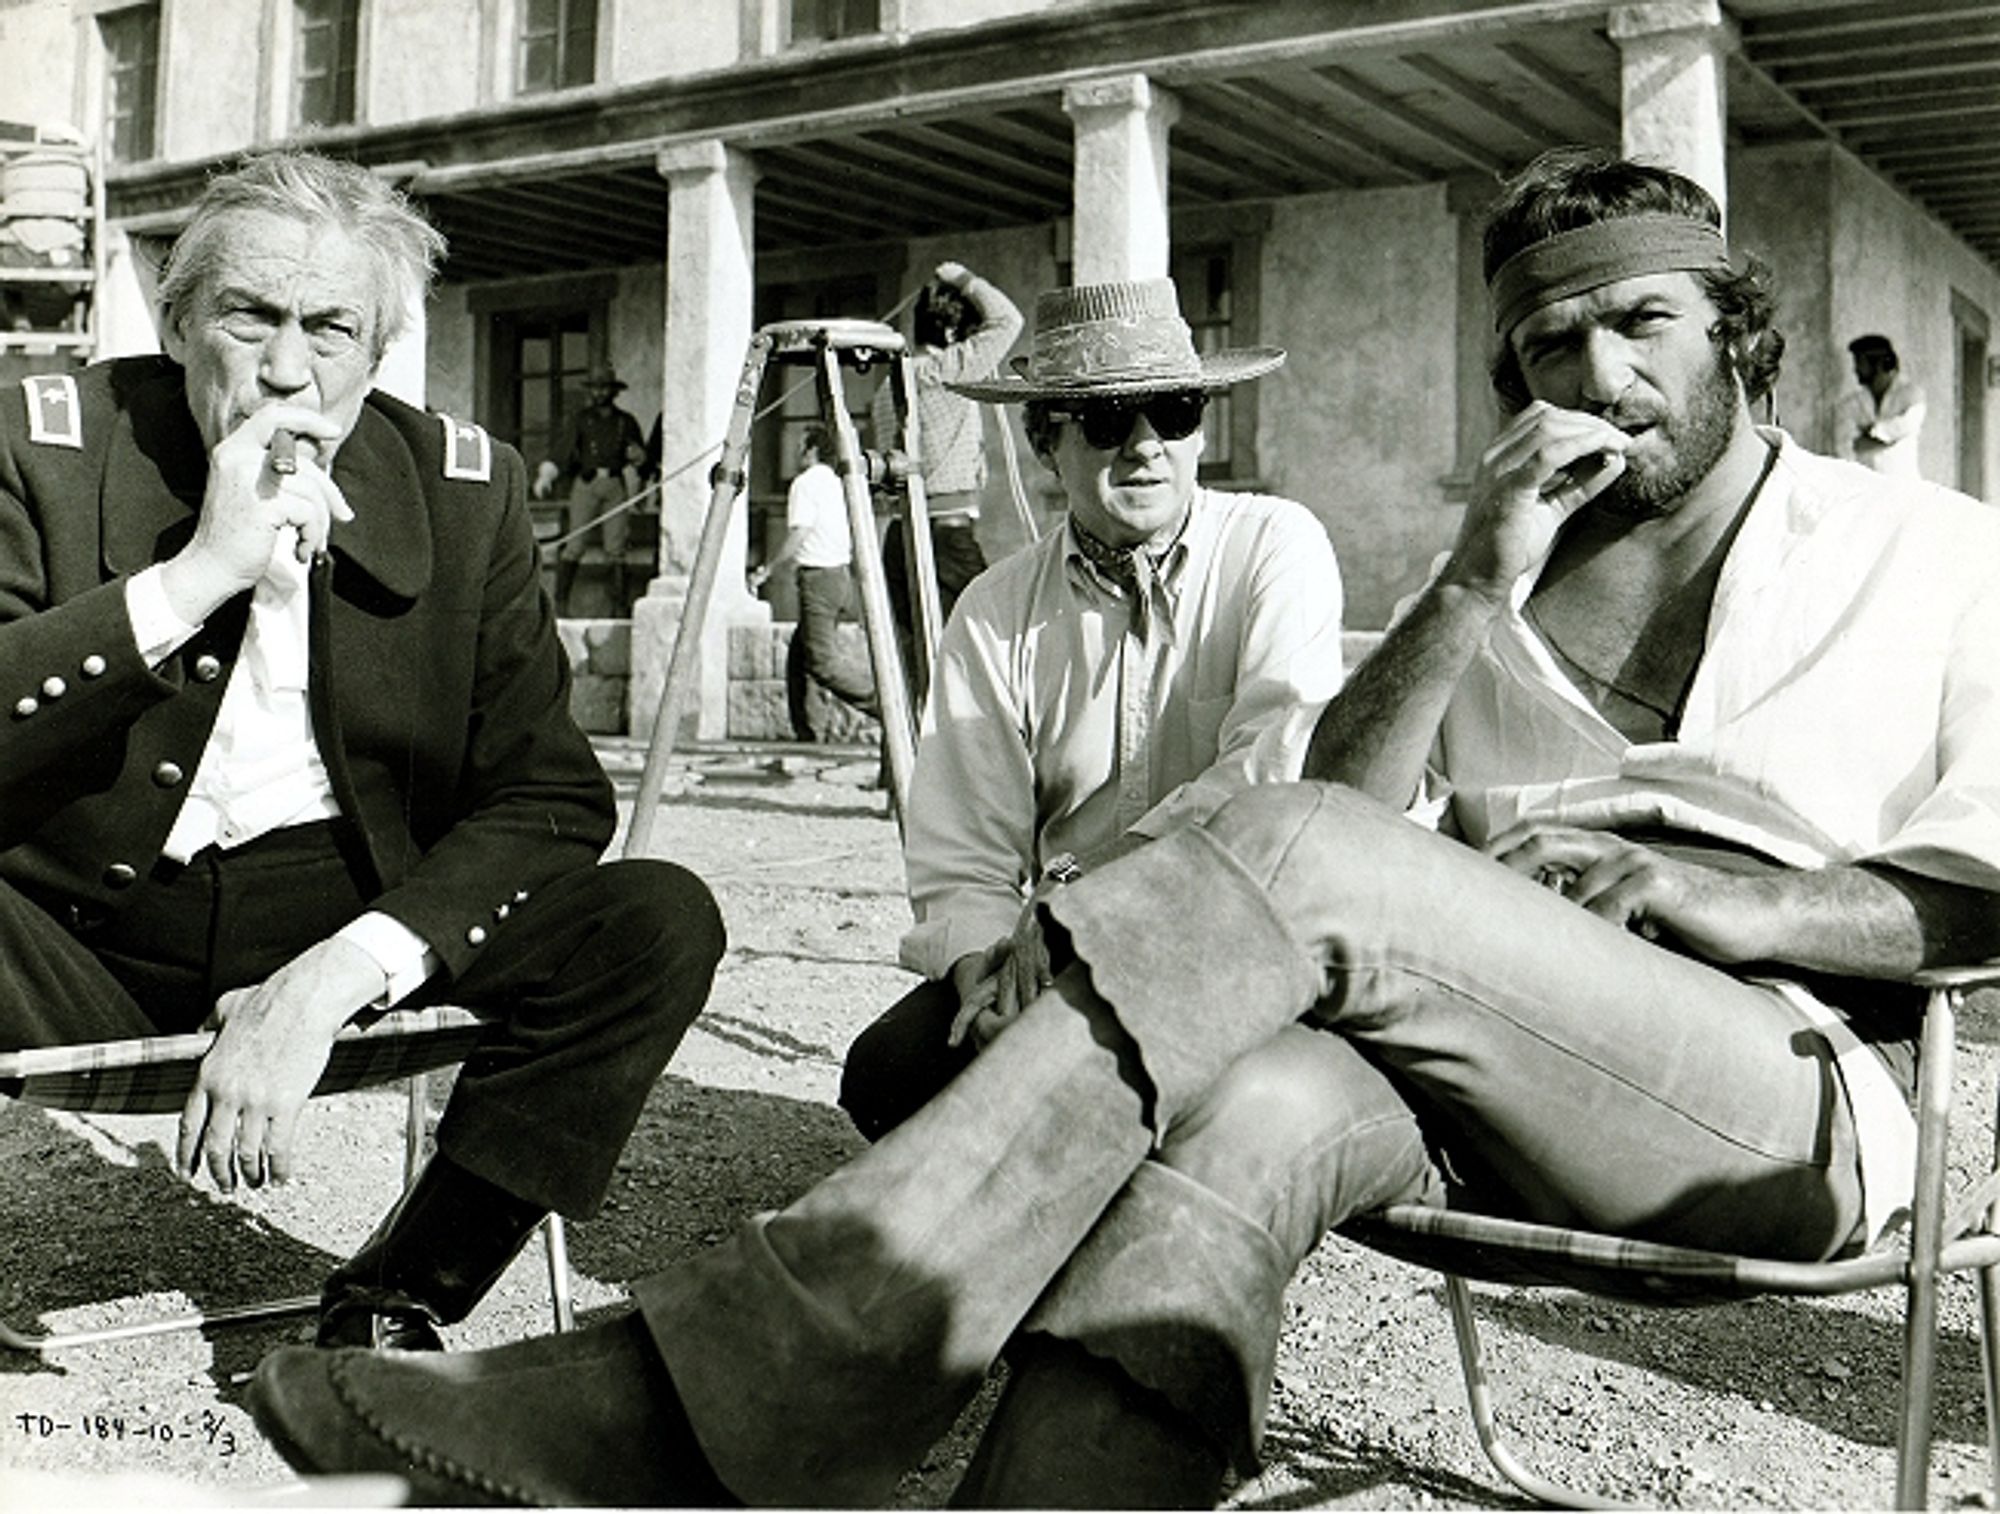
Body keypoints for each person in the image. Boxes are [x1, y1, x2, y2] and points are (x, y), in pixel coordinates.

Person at [250, 147, 2000, 1508]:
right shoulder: (1493, 583)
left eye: (1645, 327)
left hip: (1790, 1086)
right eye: (1551, 340)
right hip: (1470, 1073)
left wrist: (1747, 906)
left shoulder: (1930, 551)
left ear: (1739, 338)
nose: (1598, 371)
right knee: (1253, 1100)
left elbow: (1982, 885)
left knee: (1298, 854)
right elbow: (1346, 818)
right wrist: (1470, 583)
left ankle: (736, 1383)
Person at [0, 150, 724, 1354]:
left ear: (378, 350)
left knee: (653, 919)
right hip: (75, 933)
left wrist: (334, 978)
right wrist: (194, 578)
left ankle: (398, 1298)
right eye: (250, 316)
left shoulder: (459, 487)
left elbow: (546, 794)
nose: (289, 368)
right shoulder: (43, 445)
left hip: (339, 921)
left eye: (331, 328)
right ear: (180, 323)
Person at [840, 276, 1346, 1141]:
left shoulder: (1275, 544)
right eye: (1109, 423)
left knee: (1195, 1096)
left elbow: (1274, 769)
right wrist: (981, 971)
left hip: (1238, 930)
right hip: (1064, 958)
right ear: (1046, 444)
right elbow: (964, 844)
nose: (1148, 448)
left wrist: (1082, 890)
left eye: (1176, 412)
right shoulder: (997, 608)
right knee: (890, 1072)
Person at [870, 260, 1024, 654]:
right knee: (985, 643)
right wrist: (964, 279)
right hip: (945, 535)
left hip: (900, 534)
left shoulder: (888, 386)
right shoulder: (948, 368)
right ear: (955, 332)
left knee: (916, 650)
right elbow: (1007, 321)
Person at [749, 422, 881, 742]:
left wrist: (767, 568)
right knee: (799, 656)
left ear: (812, 450)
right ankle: (807, 730)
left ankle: (883, 705)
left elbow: (799, 532)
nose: (796, 453)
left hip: (818, 578)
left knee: (821, 662)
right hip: (840, 576)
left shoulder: (805, 484)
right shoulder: (839, 482)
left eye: (801, 447)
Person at [537, 362, 647, 613]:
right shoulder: (580, 420)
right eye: (595, 388)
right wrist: (546, 476)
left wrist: (639, 457)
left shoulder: (625, 422)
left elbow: (642, 458)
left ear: (613, 391)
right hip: (585, 485)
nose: (599, 393)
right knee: (574, 544)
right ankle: (561, 605)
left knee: (615, 548)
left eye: (604, 388)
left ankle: (619, 607)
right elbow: (562, 451)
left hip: (614, 486)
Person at [1837, 333, 1927, 478]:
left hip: (1903, 487)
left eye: (1860, 362)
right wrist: (1887, 438)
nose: (1855, 369)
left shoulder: (1912, 396)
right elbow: (1845, 447)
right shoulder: (1851, 405)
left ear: (1879, 364)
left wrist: (1868, 433)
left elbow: (1905, 428)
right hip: (1866, 489)